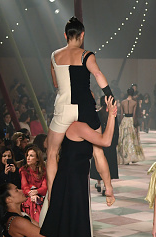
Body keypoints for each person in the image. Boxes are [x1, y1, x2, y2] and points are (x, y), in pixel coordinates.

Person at [40, 98, 117, 237]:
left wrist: (109, 187)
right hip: (68, 179)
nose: (95, 108)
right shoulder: (77, 126)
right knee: (58, 224)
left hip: (77, 180)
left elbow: (100, 157)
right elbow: (106, 141)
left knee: (62, 224)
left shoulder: (88, 128)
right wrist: (112, 115)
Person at [46, 17, 114, 199]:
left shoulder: (54, 56)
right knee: (98, 151)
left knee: (52, 152)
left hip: (63, 107)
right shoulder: (87, 55)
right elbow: (98, 74)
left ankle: (53, 195)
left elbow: (55, 84)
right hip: (85, 107)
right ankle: (108, 188)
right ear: (82, 35)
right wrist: (110, 96)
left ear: (65, 35)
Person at [19, 146, 47, 225]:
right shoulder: (23, 170)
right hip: (29, 197)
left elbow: (44, 188)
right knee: (33, 202)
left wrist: (36, 192)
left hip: (41, 196)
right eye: (27, 155)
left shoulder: (44, 171)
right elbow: (24, 187)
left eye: (31, 156)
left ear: (37, 158)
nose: (28, 158)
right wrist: (32, 194)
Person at [117, 87, 145, 165]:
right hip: (131, 120)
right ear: (133, 94)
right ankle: (131, 157)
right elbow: (134, 114)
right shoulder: (134, 103)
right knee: (132, 139)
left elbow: (121, 114)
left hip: (125, 120)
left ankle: (124, 157)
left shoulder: (123, 102)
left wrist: (120, 123)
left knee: (124, 139)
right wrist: (135, 125)